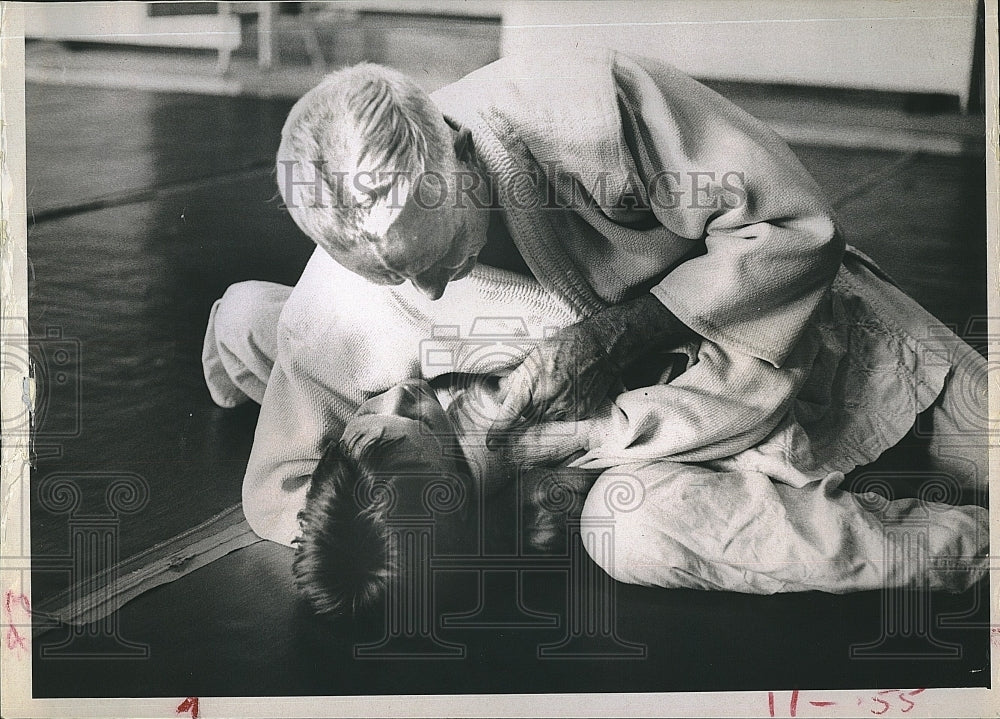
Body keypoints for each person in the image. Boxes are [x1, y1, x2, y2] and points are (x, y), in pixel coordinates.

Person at [203, 48, 989, 570]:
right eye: (397, 277)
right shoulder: (340, 304)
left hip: (836, 347)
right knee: (631, 530)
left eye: (442, 255)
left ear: (458, 143)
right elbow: (287, 491)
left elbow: (790, 228)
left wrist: (622, 333)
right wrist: (469, 499)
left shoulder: (590, 111)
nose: (432, 290)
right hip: (672, 454)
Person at [290, 376, 987, 617]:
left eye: (376, 408)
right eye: (420, 421)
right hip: (811, 428)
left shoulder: (407, 365)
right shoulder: (615, 509)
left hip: (856, 361)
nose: (405, 389)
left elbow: (247, 323)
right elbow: (838, 550)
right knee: (628, 522)